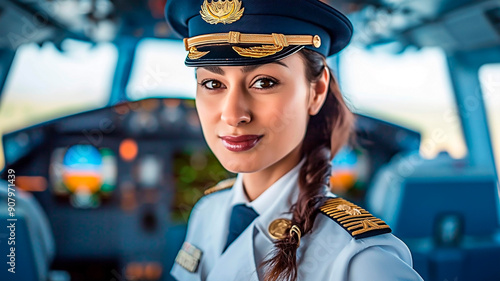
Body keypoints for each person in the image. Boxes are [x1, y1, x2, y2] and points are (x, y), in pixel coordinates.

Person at [165, 0, 424, 280]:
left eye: (264, 82)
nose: (233, 114)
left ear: (316, 91)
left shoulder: (360, 259)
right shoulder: (207, 212)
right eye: (213, 84)